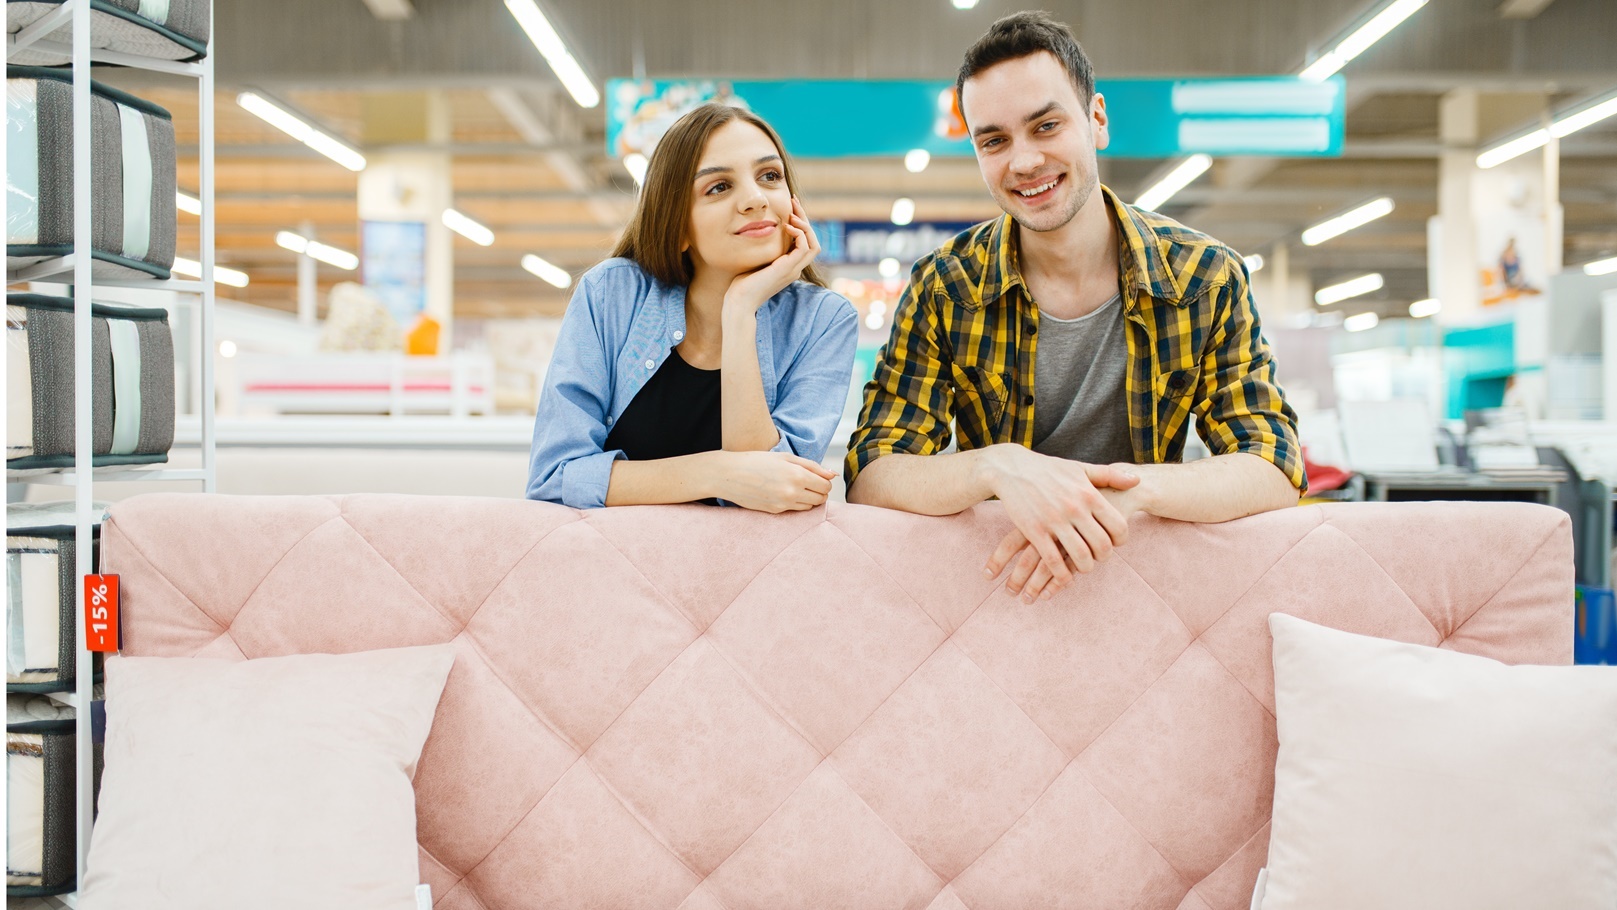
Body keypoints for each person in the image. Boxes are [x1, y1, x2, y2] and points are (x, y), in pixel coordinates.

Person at [845, 12, 1305, 602]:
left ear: (1097, 119)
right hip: (996, 587)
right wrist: (998, 467)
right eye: (994, 140)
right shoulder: (945, 286)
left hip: (1149, 584)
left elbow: (1271, 464)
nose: (1024, 161)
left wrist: (1126, 493)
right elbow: (874, 473)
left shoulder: (1203, 277)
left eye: (1045, 125)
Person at [527, 104, 857, 512]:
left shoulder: (823, 321)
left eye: (769, 176)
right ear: (678, 225)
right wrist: (718, 473)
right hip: (610, 566)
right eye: (719, 187)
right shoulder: (612, 294)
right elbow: (555, 477)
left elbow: (770, 498)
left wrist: (740, 310)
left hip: (749, 569)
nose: (755, 199)